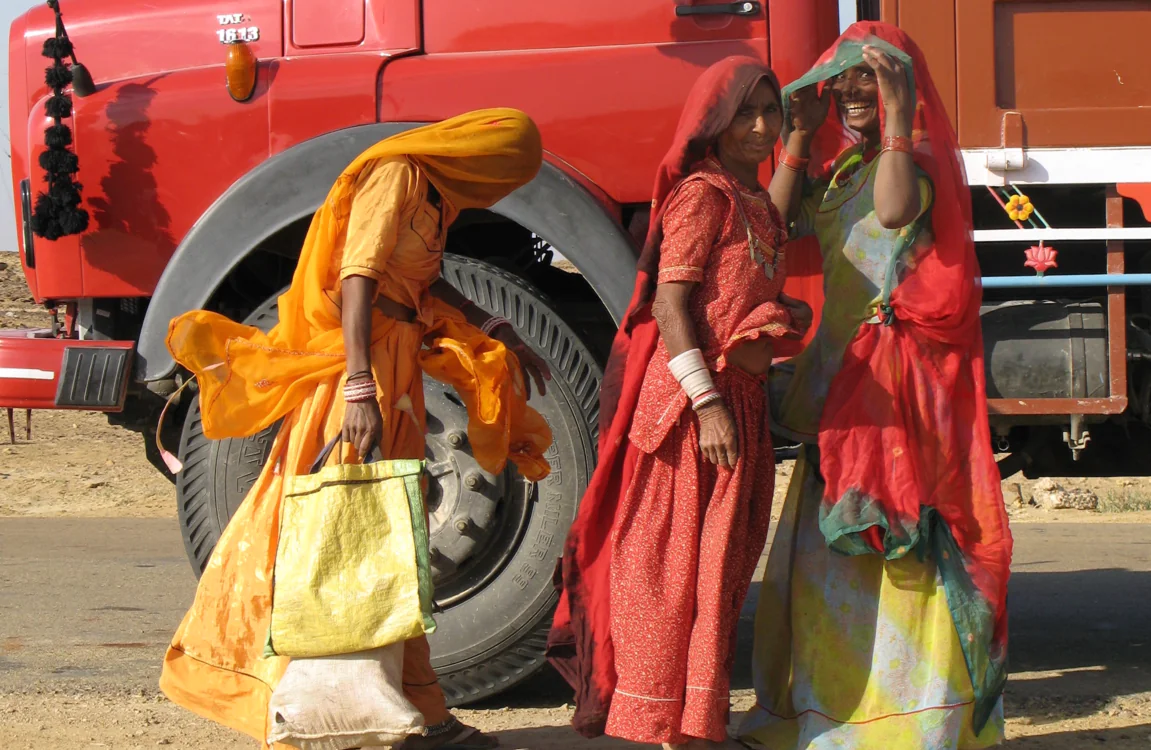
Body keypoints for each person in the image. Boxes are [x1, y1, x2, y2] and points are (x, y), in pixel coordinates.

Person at [158, 108, 554, 750]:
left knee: (392, 541)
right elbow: (358, 277)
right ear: (476, 153)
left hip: (395, 368)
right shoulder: (396, 174)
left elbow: (426, 283)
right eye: (502, 171)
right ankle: (280, 699)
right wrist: (361, 386)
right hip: (361, 373)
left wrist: (497, 330)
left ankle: (418, 714)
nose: (499, 187)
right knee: (329, 534)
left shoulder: (433, 196)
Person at [737, 22, 1012, 749]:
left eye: (872, 76)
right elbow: (772, 222)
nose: (853, 90)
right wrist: (797, 136)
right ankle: (832, 707)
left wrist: (896, 116)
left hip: (893, 398)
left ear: (902, 88)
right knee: (828, 555)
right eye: (846, 78)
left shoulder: (909, 165)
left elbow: (894, 215)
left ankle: (902, 721)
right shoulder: (844, 169)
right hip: (839, 385)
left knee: (893, 548)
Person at [546, 56, 812, 749]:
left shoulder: (747, 200)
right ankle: (656, 725)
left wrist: (804, 141)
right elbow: (670, 306)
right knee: (667, 576)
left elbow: (770, 226)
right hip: (692, 418)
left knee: (718, 573)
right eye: (744, 113)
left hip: (740, 407)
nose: (759, 127)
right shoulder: (702, 195)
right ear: (714, 123)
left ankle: (692, 728)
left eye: (770, 112)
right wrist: (708, 403)